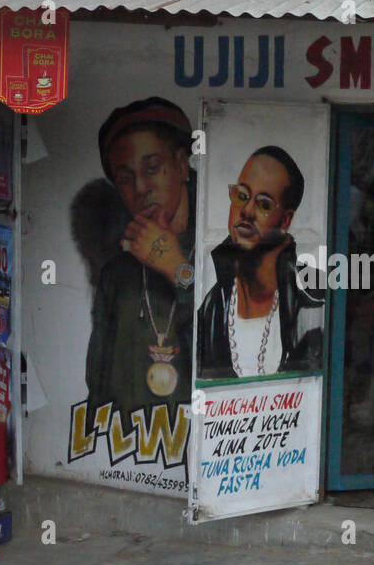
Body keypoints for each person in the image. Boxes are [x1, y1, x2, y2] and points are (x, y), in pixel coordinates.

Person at [71, 97, 196, 430]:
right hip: (131, 449)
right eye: (125, 178)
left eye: (152, 168)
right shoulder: (117, 275)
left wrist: (177, 269)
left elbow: (231, 352)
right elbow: (98, 380)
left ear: (182, 165)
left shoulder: (224, 249)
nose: (141, 188)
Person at [197, 146, 323, 380]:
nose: (246, 211)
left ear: (285, 220)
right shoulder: (211, 308)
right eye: (241, 196)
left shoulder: (313, 303)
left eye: (263, 204)